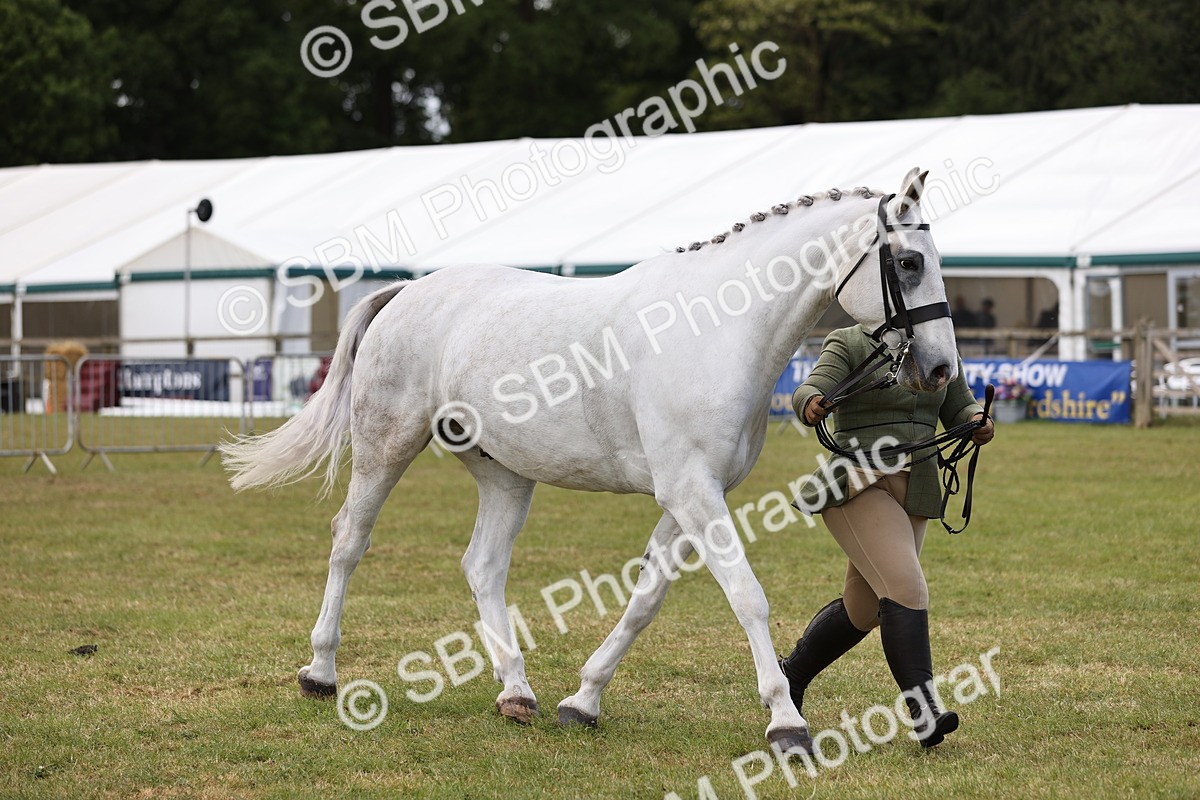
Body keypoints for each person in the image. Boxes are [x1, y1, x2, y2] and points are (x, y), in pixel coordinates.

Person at [781, 324, 994, 748]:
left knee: (863, 609)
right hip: (859, 483)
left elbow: (960, 406)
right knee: (904, 586)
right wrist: (811, 402)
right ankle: (924, 710)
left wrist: (977, 422)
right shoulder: (848, 341)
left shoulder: (939, 345)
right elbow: (812, 386)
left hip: (916, 487)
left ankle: (789, 677)